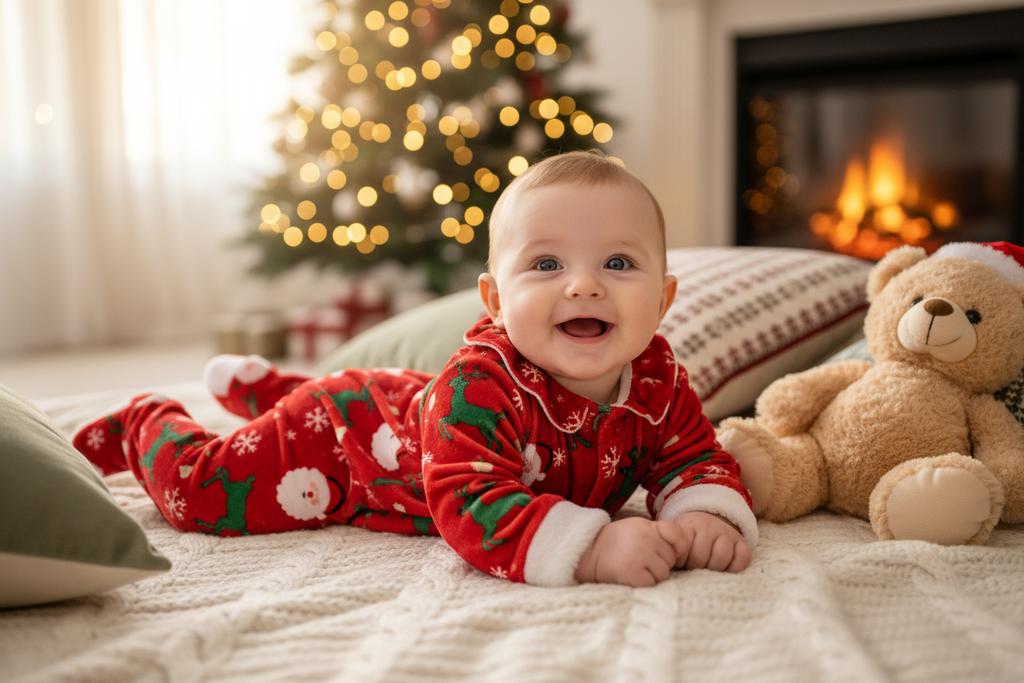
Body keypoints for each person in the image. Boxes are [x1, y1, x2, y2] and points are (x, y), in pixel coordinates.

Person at [73, 150, 757, 587]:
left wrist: (706, 512)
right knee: (207, 495)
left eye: (618, 262)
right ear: (495, 300)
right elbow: (469, 501)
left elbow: (691, 456)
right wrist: (596, 550)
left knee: (385, 402)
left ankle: (267, 390)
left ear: (663, 299)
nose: (583, 286)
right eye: (546, 264)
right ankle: (149, 420)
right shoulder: (481, 382)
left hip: (407, 408)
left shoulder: (660, 380)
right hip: (343, 442)